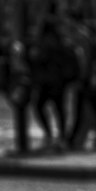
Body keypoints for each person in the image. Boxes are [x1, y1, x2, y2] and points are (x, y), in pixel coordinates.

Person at [28, 9, 77, 150]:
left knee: (39, 106)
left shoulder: (43, 43)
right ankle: (61, 136)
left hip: (46, 81)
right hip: (60, 82)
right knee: (60, 109)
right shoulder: (62, 42)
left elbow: (37, 60)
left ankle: (49, 133)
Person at [65, 10, 96, 151]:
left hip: (87, 79)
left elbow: (84, 59)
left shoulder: (80, 36)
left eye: (67, 19)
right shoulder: (84, 34)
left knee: (86, 109)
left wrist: (81, 77)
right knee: (90, 109)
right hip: (90, 78)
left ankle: (77, 140)